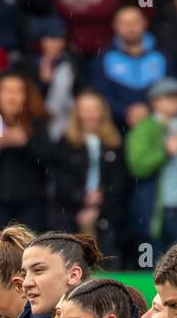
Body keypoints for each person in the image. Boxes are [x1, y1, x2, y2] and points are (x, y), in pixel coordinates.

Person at [126, 77, 177, 257]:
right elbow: (138, 167)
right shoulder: (144, 129)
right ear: (155, 102)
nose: (176, 102)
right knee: (148, 262)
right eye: (169, 97)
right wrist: (165, 152)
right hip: (152, 210)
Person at [47, 92, 128, 259]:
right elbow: (61, 179)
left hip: (107, 214)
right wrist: (82, 198)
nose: (90, 114)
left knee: (106, 260)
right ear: (76, 113)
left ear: (102, 112)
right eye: (85, 109)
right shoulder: (66, 142)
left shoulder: (114, 143)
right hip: (69, 213)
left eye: (94, 109)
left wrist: (100, 203)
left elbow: (120, 181)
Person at [0, 72, 53, 235]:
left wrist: (26, 144)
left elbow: (50, 162)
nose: (11, 96)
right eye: (6, 90)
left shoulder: (37, 122)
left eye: (17, 91)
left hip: (30, 203)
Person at [90, 3, 173, 130]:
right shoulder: (103, 58)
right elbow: (101, 95)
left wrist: (149, 109)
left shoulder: (162, 56)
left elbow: (171, 91)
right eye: (123, 22)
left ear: (145, 23)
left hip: (159, 125)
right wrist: (125, 112)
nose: (130, 27)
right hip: (115, 127)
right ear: (114, 25)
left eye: (135, 21)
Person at [18, 15, 75, 143]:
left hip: (65, 120)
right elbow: (27, 95)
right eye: (51, 39)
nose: (57, 44)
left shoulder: (70, 62)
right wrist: (43, 82)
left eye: (60, 39)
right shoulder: (27, 64)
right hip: (35, 121)